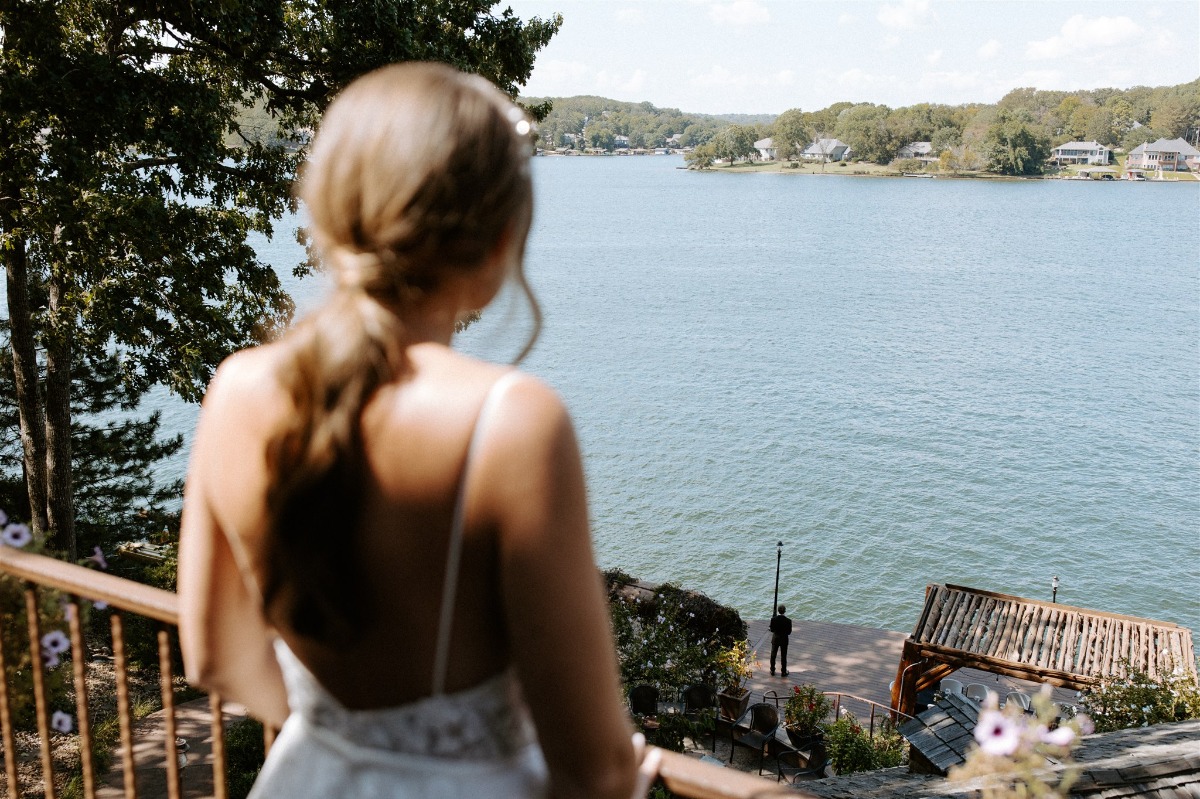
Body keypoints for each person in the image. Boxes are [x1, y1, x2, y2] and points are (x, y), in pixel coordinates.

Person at [177, 62, 652, 798]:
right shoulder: (511, 422)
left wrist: (345, 747)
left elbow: (214, 657)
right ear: (498, 240)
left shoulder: (237, 387)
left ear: (331, 211)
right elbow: (596, 770)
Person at [769, 604, 792, 677]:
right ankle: (783, 671)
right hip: (784, 640)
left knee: (773, 655)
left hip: (775, 639)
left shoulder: (773, 619)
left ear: (778, 611)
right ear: (785, 611)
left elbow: (772, 630)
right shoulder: (788, 621)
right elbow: (789, 632)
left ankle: (772, 670)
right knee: (783, 656)